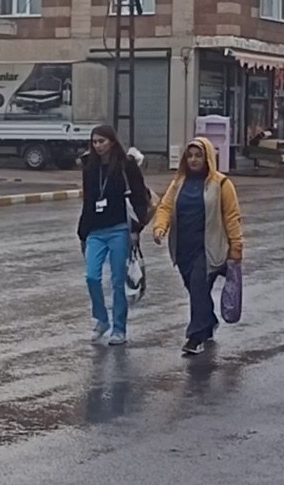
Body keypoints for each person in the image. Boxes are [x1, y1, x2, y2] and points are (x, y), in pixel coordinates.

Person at [152, 137, 244, 356]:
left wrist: (236, 248)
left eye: (198, 155)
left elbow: (232, 217)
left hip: (209, 249)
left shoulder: (221, 184)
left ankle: (196, 337)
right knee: (195, 290)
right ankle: (209, 320)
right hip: (184, 248)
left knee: (198, 286)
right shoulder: (179, 182)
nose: (193, 160)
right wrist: (159, 228)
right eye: (190, 155)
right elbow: (165, 206)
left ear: (208, 158)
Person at [78, 125, 152, 346]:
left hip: (119, 229)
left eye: (102, 141)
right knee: (92, 276)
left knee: (118, 281)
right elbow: (88, 201)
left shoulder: (125, 165)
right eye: (94, 142)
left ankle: (119, 328)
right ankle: (102, 319)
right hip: (95, 231)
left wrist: (136, 230)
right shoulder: (89, 167)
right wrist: (82, 233)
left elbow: (139, 196)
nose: (98, 146)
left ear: (111, 141)